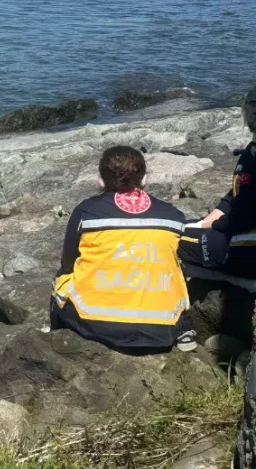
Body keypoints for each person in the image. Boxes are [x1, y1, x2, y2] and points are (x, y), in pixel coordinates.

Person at [51, 146, 194, 352]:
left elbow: (68, 262)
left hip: (98, 323)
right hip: (161, 326)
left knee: (61, 279)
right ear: (145, 179)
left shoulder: (86, 211)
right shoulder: (172, 215)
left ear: (101, 181)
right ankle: (184, 328)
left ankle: (57, 339)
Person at [189, 86, 256, 278]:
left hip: (248, 243)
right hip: (244, 229)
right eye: (252, 105)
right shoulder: (250, 153)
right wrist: (207, 220)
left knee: (176, 239)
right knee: (192, 226)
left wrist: (215, 225)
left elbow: (244, 218)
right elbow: (237, 194)